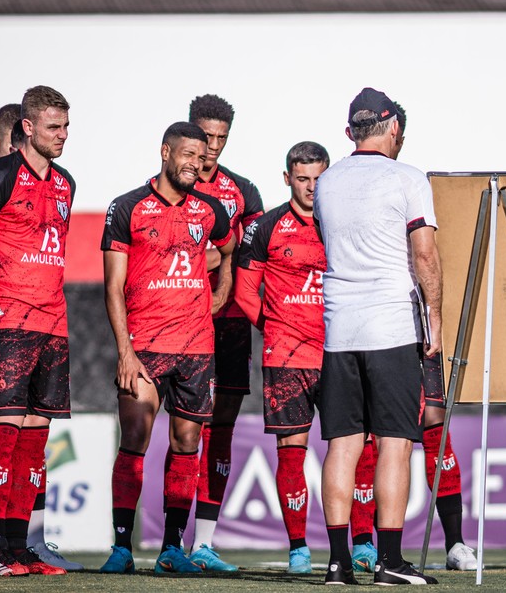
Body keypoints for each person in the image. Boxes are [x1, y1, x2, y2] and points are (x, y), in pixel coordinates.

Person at [314, 87, 441, 585]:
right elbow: (424, 255)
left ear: (350, 132)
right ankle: (388, 561)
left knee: (341, 447)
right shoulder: (408, 177)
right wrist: (435, 316)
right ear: (392, 129)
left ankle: (337, 564)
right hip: (390, 326)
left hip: (338, 328)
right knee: (395, 444)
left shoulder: (326, 182)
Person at [99, 122, 236, 575]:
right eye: (188, 154)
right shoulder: (127, 207)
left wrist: (221, 286)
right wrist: (124, 350)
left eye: (202, 157)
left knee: (187, 443)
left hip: (197, 348)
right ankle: (121, 547)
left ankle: (171, 548)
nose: (196, 163)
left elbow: (228, 245)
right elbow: (113, 287)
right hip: (145, 347)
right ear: (165, 152)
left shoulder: (210, 209)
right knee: (135, 437)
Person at [0, 86, 74, 577]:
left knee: (35, 440)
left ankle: (23, 548)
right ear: (27, 127)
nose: (62, 136)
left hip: (54, 323)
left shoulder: (67, 182)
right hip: (8, 321)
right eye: (53, 127)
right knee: (2, 436)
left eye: (66, 127)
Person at [234, 140, 333, 572]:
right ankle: (298, 548)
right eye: (303, 178)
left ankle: (362, 545)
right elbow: (241, 292)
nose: (312, 187)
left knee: (357, 447)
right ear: (287, 178)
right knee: (292, 450)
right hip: (287, 358)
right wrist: (274, 327)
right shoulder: (266, 226)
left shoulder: (343, 222)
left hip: (339, 355)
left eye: (319, 178)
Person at [392, 102, 476, 571]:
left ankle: (455, 543)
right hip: (378, 331)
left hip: (416, 329)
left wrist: (435, 319)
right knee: (379, 437)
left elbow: (430, 256)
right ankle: (374, 545)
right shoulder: (355, 191)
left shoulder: (413, 185)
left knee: (435, 429)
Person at [186, 94, 265, 571]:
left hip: (231, 324)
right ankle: (164, 539)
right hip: (177, 321)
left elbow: (256, 258)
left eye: (221, 138)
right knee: (181, 430)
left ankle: (204, 543)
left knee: (222, 429)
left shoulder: (244, 192)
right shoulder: (167, 188)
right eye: (205, 136)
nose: (212, 147)